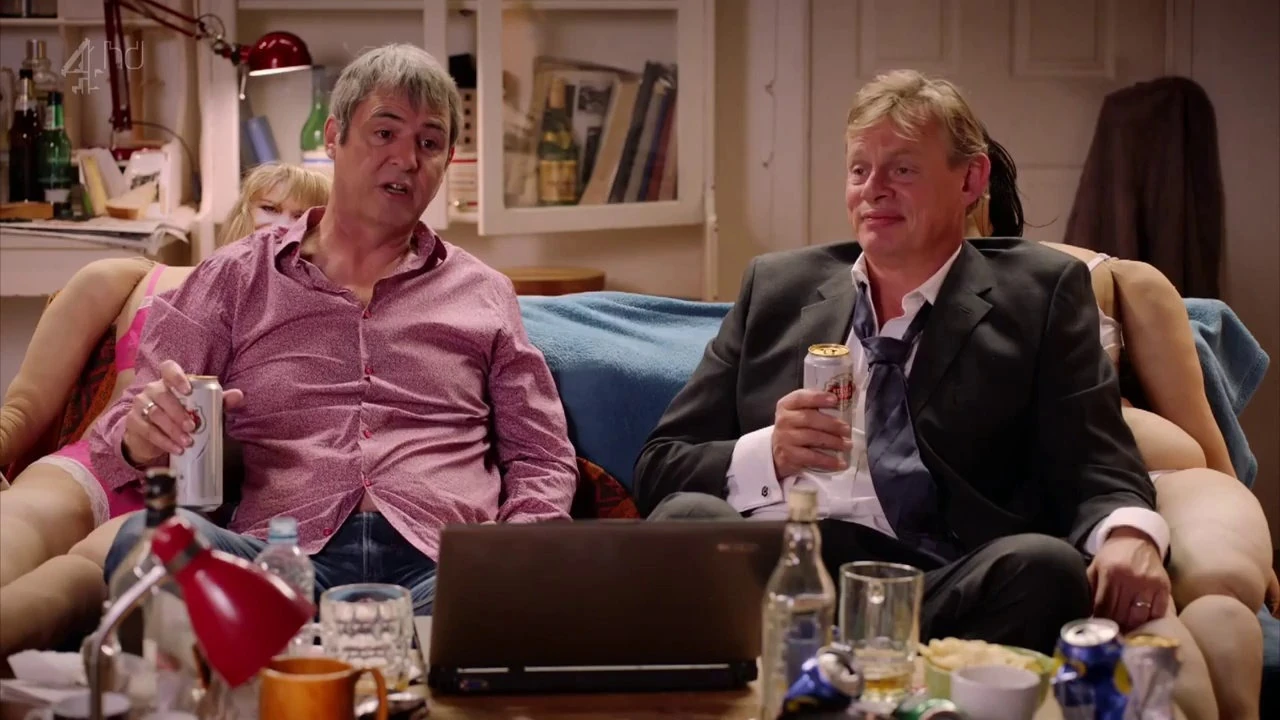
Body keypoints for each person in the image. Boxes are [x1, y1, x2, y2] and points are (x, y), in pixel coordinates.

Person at [633, 69, 1172, 657]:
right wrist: (768, 453)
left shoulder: (1041, 295)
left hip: (930, 583)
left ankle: (836, 667)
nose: (874, 190)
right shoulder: (776, 287)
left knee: (1046, 568)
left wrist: (1130, 534)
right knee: (685, 519)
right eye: (859, 170)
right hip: (773, 571)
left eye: (903, 170)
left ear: (970, 179)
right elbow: (661, 467)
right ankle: (830, 662)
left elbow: (1100, 460)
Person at [94, 44, 577, 616]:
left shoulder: (484, 292)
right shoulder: (235, 277)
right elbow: (117, 437)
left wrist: (518, 544)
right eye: (384, 133)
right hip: (279, 564)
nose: (407, 159)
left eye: (428, 144)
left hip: (444, 565)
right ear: (333, 136)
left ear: (447, 161)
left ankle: (352, 654)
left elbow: (543, 454)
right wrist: (143, 433)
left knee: (522, 594)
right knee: (145, 546)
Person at [967, 130, 1275, 720]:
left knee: (1224, 578)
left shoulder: (1105, 276)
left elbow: (1203, 441)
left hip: (1166, 478)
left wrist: (1246, 521)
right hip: (1058, 497)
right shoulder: (886, 293)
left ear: (975, 190)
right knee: (1137, 610)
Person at [0, 163, 330, 657]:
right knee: (15, 523)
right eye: (270, 207)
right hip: (95, 467)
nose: (282, 224)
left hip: (196, 507)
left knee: (73, 588)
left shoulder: (318, 322)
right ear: (243, 210)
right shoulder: (136, 277)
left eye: (303, 216)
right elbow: (22, 408)